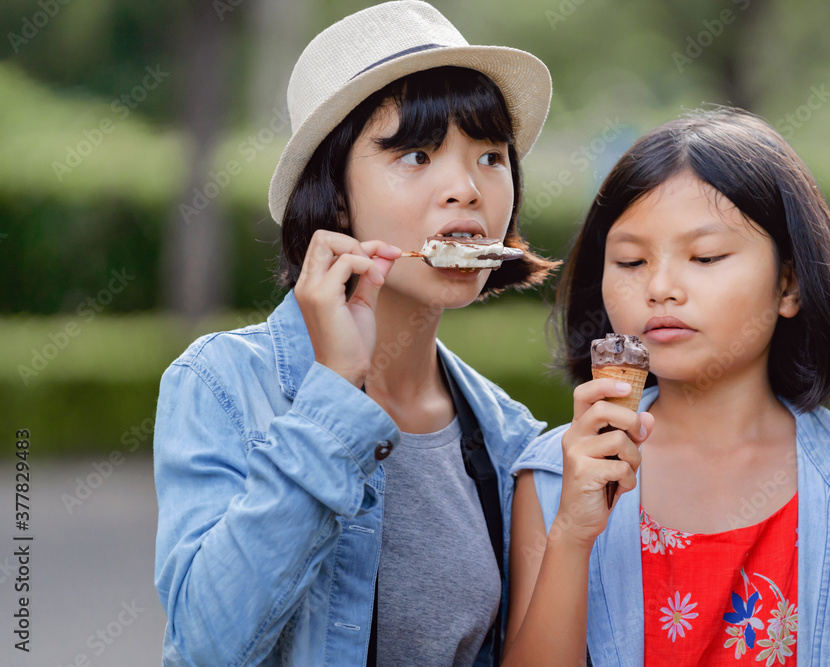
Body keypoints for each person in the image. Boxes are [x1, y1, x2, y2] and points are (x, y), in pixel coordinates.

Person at [153, 2, 558, 664]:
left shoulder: (510, 438)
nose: (466, 188)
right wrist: (335, 393)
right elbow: (204, 646)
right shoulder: (222, 385)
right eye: (418, 154)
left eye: (490, 155)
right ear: (336, 194)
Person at [502, 108, 830, 666]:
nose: (660, 287)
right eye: (630, 260)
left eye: (705, 257)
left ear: (789, 284)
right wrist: (573, 535)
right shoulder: (556, 479)